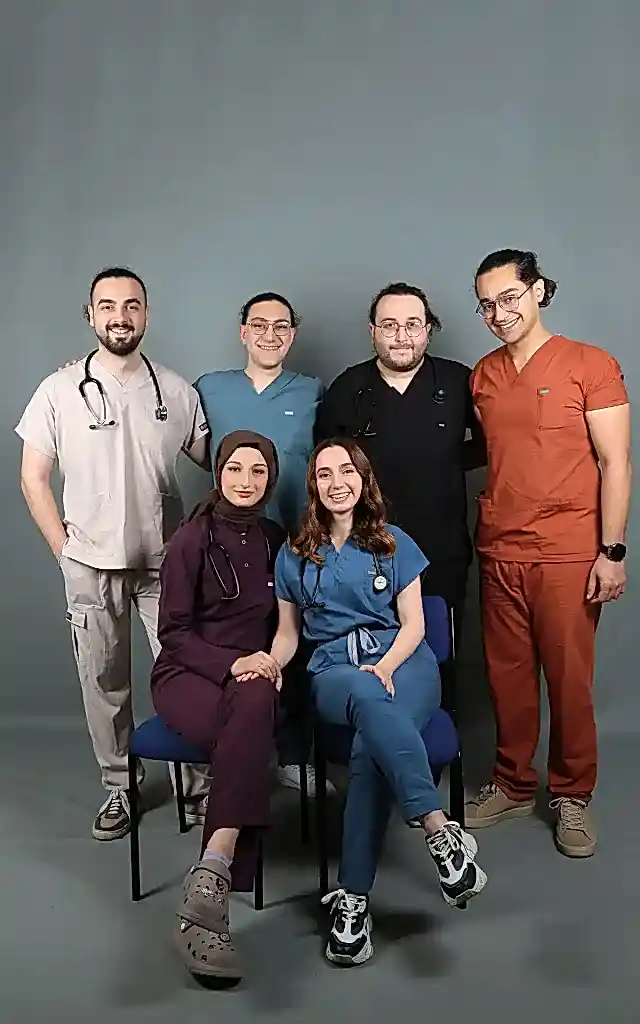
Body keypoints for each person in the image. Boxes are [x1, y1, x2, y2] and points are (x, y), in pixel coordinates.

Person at [270, 438, 487, 967]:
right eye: (324, 474)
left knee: (370, 745)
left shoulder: (394, 542)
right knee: (367, 701)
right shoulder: (294, 554)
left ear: (363, 479)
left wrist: (386, 666)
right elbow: (288, 635)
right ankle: (439, 830)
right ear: (314, 487)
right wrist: (268, 663)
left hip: (405, 663)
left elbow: (414, 625)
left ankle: (353, 902)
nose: (337, 482)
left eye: (347, 471)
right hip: (335, 670)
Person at [16, 267, 210, 842]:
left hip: (164, 564)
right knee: (102, 680)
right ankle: (120, 785)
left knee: (184, 674)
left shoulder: (175, 391)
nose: (120, 316)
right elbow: (33, 478)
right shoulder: (58, 389)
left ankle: (197, 788)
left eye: (131, 305)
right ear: (90, 315)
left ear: (146, 314)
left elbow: (225, 465)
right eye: (107, 306)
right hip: (89, 563)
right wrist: (64, 551)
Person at [466, 249, 631, 858]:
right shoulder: (482, 375)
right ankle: (512, 783)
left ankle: (572, 794)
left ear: (538, 291)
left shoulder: (591, 365)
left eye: (509, 297)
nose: (499, 312)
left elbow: (616, 462)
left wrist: (611, 550)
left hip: (568, 551)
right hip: (499, 548)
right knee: (506, 677)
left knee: (568, 679)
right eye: (486, 304)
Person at [151, 431, 285, 983]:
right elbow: (173, 634)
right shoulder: (191, 539)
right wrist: (233, 664)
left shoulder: (277, 539)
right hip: (189, 675)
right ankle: (218, 875)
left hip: (254, 679)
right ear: (219, 473)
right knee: (249, 733)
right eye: (235, 469)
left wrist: (261, 665)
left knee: (253, 704)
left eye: (258, 471)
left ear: (270, 479)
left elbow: (286, 624)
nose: (245, 481)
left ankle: (210, 880)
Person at [195, 291, 329, 797]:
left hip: (295, 544)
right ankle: (226, 756)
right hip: (229, 547)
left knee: (294, 644)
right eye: (259, 324)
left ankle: (293, 756)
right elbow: (191, 444)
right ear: (243, 332)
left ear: (292, 335)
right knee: (229, 645)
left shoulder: (311, 391)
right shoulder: (210, 389)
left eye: (280, 326)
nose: (269, 334)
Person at [315, 282, 486, 622]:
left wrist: (443, 461)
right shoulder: (347, 388)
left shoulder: (457, 382)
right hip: (364, 550)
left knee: (439, 646)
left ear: (428, 329)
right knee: (368, 646)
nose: (401, 337)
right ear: (373, 331)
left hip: (442, 552)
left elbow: (490, 444)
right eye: (389, 325)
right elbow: (325, 462)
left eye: (412, 325)